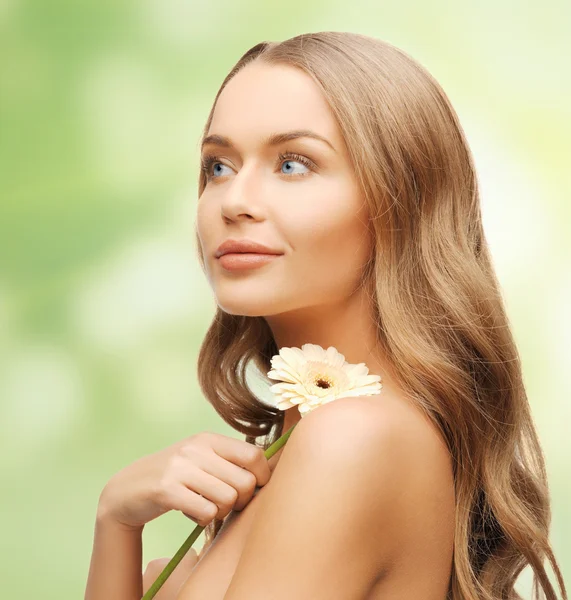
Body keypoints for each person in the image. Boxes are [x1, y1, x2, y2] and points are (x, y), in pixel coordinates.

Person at [85, 32, 568, 600]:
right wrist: (116, 522)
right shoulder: (305, 441)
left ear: (401, 201)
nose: (234, 200)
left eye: (293, 163)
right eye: (218, 166)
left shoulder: (351, 438)